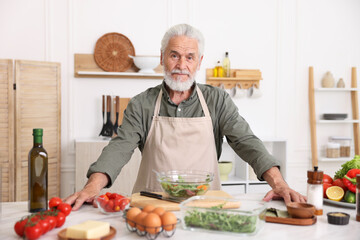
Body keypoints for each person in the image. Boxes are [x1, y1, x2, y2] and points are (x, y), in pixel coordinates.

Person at [65, 24, 306, 210]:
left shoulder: (217, 101)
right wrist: (92, 187)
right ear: (162, 59)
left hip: (205, 207)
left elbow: (247, 142)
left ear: (199, 62)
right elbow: (119, 148)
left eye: (189, 57)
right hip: (152, 207)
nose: (182, 64)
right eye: (174, 55)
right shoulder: (142, 104)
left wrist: (279, 184)